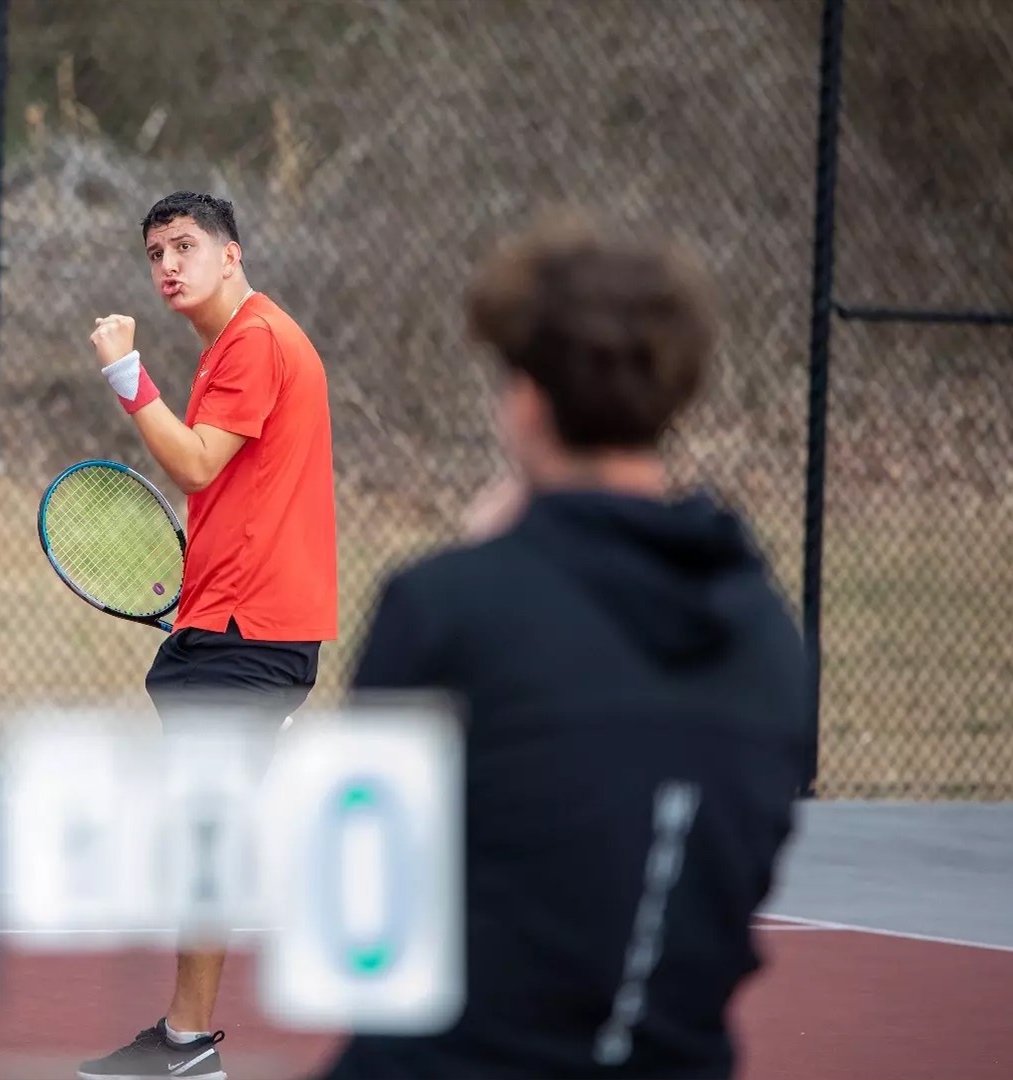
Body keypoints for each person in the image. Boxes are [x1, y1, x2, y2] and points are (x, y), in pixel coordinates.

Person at [315, 212, 809, 1079]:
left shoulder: (445, 607)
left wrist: (483, 563)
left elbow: (355, 909)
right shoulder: (769, 638)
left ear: (527, 401)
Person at [76, 191, 340, 1080]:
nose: (167, 266)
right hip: (230, 625)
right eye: (156, 253)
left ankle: (188, 1049)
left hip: (249, 635)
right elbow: (234, 491)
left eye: (185, 247)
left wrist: (126, 374)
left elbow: (193, 462)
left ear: (232, 255)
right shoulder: (235, 346)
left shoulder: (256, 340)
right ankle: (184, 1040)